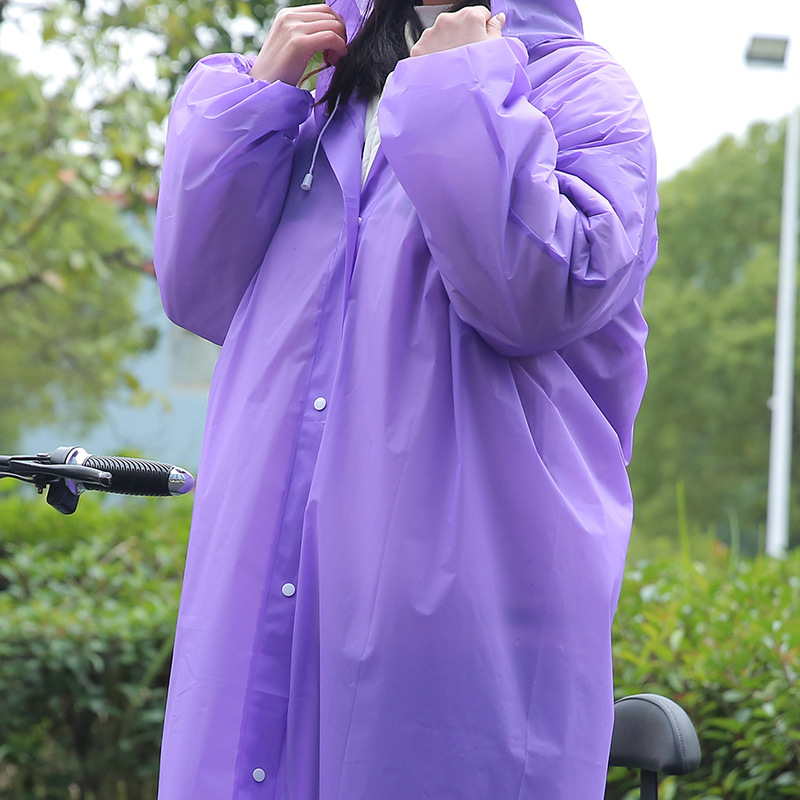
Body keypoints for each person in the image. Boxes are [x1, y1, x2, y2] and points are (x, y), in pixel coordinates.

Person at [153, 0, 658, 796]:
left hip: (463, 616)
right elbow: (198, 288)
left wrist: (462, 87)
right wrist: (251, 105)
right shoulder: (324, 95)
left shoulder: (578, 89)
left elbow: (538, 294)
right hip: (257, 587)